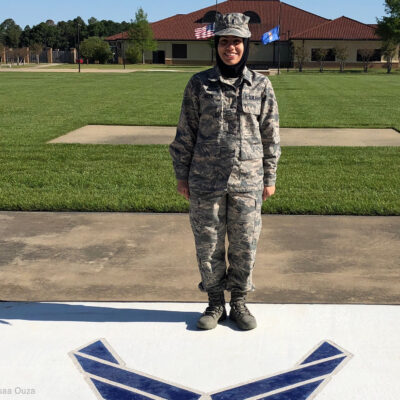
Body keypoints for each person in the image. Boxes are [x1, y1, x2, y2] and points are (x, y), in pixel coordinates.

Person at [169, 13, 281, 330]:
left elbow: (271, 135)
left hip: (248, 181)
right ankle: (215, 303)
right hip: (205, 181)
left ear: (245, 44)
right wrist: (181, 174)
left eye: (235, 41)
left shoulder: (261, 85)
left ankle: (240, 302)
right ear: (216, 45)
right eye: (223, 41)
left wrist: (270, 177)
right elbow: (185, 133)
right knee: (209, 245)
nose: (229, 47)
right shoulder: (199, 84)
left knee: (245, 244)